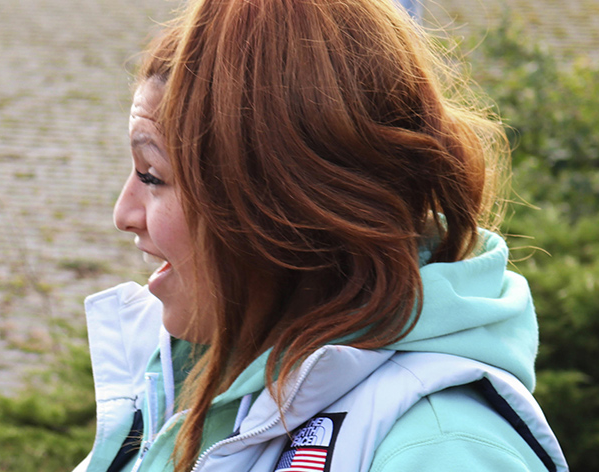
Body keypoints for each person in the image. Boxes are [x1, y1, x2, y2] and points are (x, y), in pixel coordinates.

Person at [74, 1, 567, 471]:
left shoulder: (443, 450)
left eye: (153, 175)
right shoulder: (189, 384)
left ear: (279, 200)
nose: (124, 214)